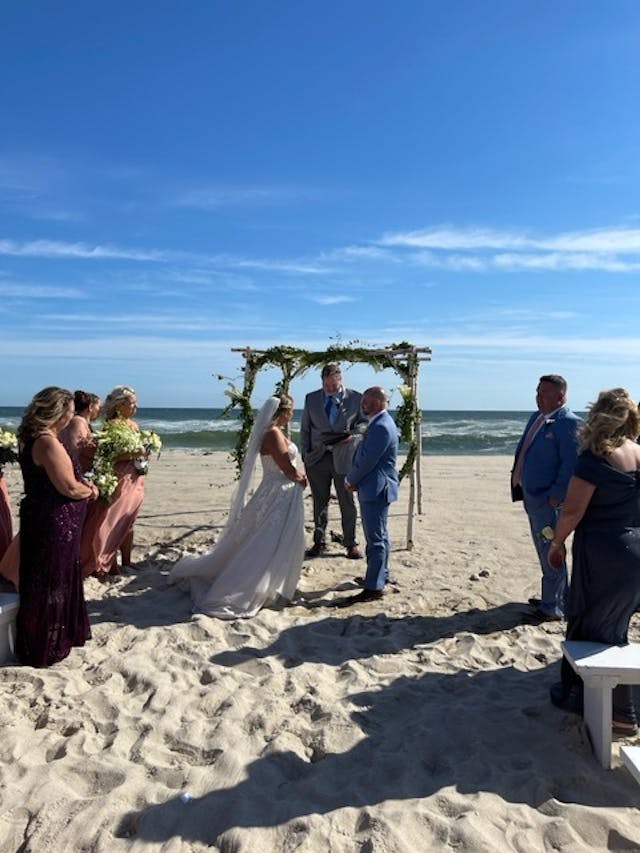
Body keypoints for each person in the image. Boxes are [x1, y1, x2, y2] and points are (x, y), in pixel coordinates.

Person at [547, 388, 640, 733]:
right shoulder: (638, 452)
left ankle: (621, 713)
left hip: (605, 552)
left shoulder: (596, 457)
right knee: (615, 623)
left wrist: (556, 543)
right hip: (635, 546)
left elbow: (572, 512)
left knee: (600, 628)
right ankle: (596, 697)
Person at [169, 394, 308, 619]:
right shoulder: (273, 433)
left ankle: (274, 579)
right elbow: (286, 467)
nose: (292, 414)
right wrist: (301, 478)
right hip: (278, 490)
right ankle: (254, 581)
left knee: (274, 535)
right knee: (268, 538)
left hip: (276, 489)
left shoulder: (274, 432)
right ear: (283, 412)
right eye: (291, 410)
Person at [15, 386, 97, 666]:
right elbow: (68, 487)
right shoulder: (47, 442)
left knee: (39, 577)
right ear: (58, 412)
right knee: (54, 577)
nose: (71, 417)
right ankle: (47, 644)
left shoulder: (27, 438)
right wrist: (90, 490)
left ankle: (37, 638)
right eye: (70, 412)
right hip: (55, 520)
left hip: (38, 515)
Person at [511, 374, 580, 621]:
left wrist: (556, 495)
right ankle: (556, 597)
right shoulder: (537, 418)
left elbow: (571, 465)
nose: (538, 397)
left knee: (552, 549)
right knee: (544, 549)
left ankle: (552, 607)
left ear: (561, 396)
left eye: (544, 393)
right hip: (532, 497)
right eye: (537, 392)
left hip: (548, 501)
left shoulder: (569, 423)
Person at [337, 387, 399, 606]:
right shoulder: (380, 422)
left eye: (368, 402)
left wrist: (350, 479)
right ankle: (381, 575)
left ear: (381, 402)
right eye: (363, 401)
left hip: (375, 488)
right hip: (377, 486)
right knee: (381, 535)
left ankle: (374, 587)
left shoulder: (381, 426)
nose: (363, 405)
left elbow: (368, 460)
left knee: (376, 539)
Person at [301, 364, 365, 559]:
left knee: (347, 502)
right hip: (317, 458)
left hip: (344, 457)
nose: (329, 389)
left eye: (333, 385)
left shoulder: (356, 398)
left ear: (340, 380)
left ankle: (350, 543)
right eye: (326, 385)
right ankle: (319, 541)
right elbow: (305, 428)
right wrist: (306, 454)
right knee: (319, 502)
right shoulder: (311, 398)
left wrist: (353, 436)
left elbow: (364, 424)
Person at [81, 385, 146, 577]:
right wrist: (135, 453)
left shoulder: (133, 424)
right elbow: (109, 456)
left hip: (136, 477)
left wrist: (145, 452)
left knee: (129, 519)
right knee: (114, 519)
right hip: (120, 477)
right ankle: (107, 563)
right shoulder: (112, 426)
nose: (136, 407)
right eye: (132, 403)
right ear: (120, 405)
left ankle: (127, 560)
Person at [60, 390, 101, 472]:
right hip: (77, 472)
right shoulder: (78, 421)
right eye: (98, 406)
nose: (99, 409)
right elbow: (74, 450)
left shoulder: (82, 422)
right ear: (90, 407)